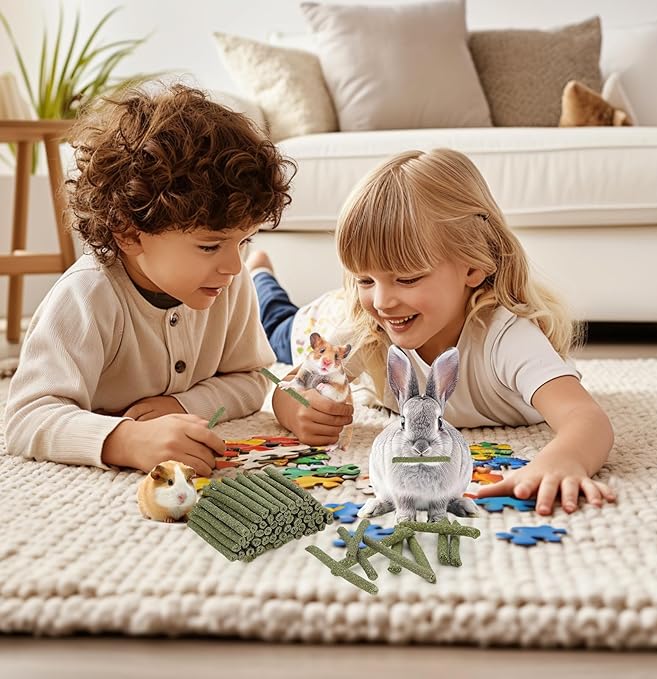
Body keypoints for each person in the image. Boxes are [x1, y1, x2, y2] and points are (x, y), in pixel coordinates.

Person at [248, 148, 616, 516]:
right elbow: (289, 386)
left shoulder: (505, 336)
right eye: (365, 279)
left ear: (473, 267)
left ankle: (264, 275)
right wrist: (298, 411)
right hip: (318, 321)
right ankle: (260, 273)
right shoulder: (365, 324)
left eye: (407, 278)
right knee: (279, 326)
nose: (382, 301)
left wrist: (562, 460)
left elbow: (586, 419)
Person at [4, 84, 295, 477]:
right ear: (129, 232)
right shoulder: (86, 296)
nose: (232, 265)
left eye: (244, 242)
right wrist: (126, 440)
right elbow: (26, 418)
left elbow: (252, 378)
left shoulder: (229, 282)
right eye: (210, 246)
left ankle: (264, 270)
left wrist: (185, 404)